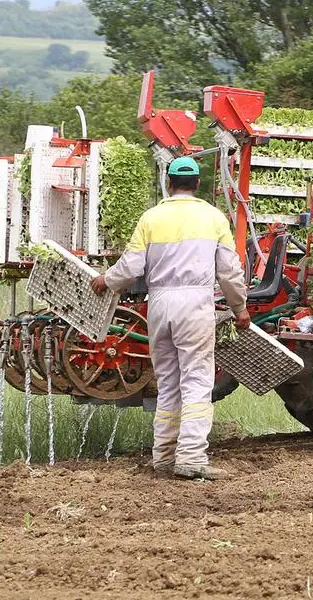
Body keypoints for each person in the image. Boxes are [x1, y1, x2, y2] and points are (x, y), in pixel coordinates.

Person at [91, 156, 251, 480]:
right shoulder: (213, 217)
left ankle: (163, 456)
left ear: (168, 181)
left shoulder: (151, 218)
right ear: (197, 184)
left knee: (168, 383)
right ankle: (191, 457)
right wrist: (240, 309)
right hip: (195, 302)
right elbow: (230, 273)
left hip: (159, 303)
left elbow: (132, 268)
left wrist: (105, 280)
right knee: (196, 381)